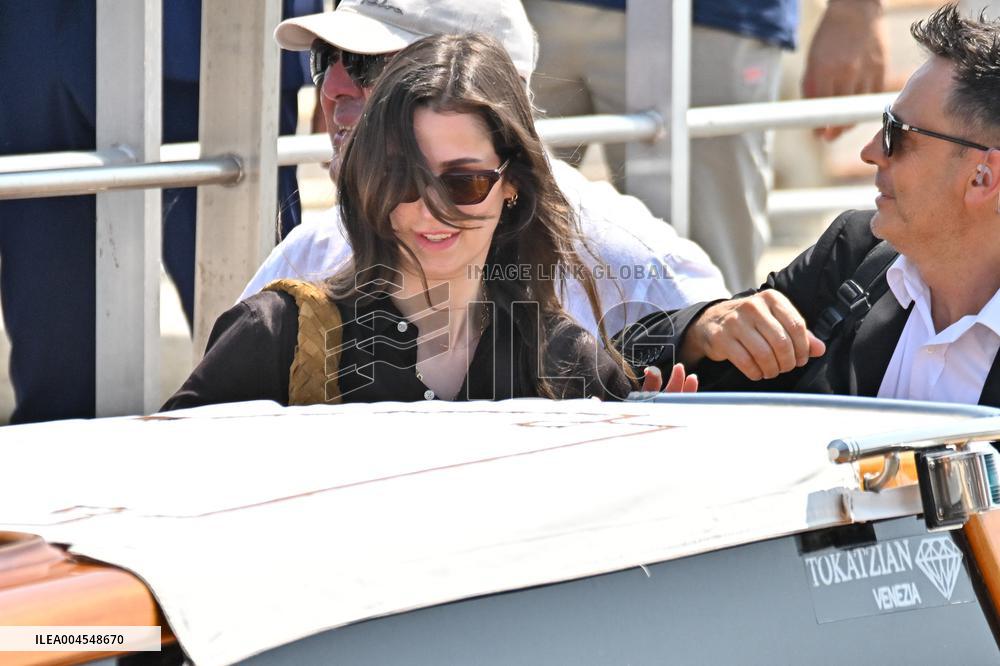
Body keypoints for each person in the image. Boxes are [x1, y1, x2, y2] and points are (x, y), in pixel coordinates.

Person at [165, 33, 697, 411]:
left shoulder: (567, 362)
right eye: (403, 177)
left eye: (463, 183)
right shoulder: (275, 335)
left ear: (512, 184)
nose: (431, 208)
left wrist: (653, 453)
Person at [240, 0, 730, 342]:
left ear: (487, 93)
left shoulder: (628, 261)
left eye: (368, 65)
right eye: (326, 59)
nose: (333, 89)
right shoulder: (313, 253)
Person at [625, 5, 1000, 408]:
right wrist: (701, 331)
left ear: (983, 177)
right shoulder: (853, 253)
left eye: (898, 134)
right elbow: (613, 364)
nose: (870, 150)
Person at [0, 1, 317, 424]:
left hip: (222, 33)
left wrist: (356, 54)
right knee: (56, 384)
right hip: (32, 41)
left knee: (269, 358)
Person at [524, 0, 887, 293]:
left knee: (707, 284)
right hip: (529, 13)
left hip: (713, 17)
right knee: (507, 247)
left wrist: (855, 9)